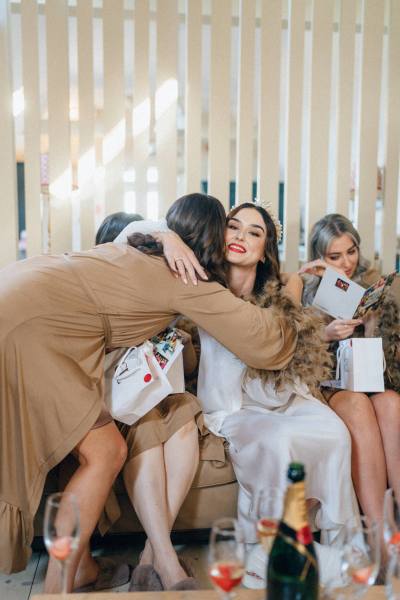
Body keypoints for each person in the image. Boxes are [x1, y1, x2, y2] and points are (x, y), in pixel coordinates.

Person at [0, 193, 297, 593]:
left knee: (95, 446)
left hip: (17, 288)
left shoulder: (136, 247)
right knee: (106, 452)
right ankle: (56, 589)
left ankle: (82, 569)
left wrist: (164, 235)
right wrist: (294, 299)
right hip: (35, 329)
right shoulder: (187, 277)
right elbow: (264, 341)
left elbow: (137, 226)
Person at [125, 202, 360, 587]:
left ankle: (339, 543)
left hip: (282, 395)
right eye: (233, 227)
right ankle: (263, 549)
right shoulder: (199, 283)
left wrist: (297, 287)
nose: (240, 237)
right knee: (278, 438)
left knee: (335, 432)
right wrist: (167, 236)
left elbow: (293, 347)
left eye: (254, 232)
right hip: (234, 406)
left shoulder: (278, 294)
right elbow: (136, 233)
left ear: (265, 249)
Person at [300, 213, 400, 524]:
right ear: (320, 257)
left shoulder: (373, 285)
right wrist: (326, 333)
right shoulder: (306, 290)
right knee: (357, 405)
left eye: (351, 251)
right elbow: (295, 351)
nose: (346, 263)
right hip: (329, 383)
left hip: (369, 377)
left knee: (391, 403)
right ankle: (378, 530)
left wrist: (371, 327)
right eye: (334, 256)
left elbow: (383, 362)